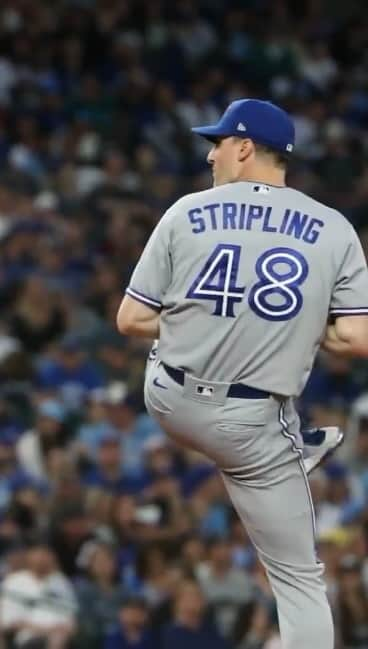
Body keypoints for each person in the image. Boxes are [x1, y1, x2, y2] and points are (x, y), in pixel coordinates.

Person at [116, 98, 368, 649]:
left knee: (198, 349)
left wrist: (201, 324)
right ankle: (292, 447)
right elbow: (357, 339)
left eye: (219, 143)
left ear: (245, 147)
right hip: (252, 428)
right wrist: (297, 329)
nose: (212, 157)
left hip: (169, 401)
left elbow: (131, 318)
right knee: (300, 580)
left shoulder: (186, 211)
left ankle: (293, 443)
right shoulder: (335, 228)